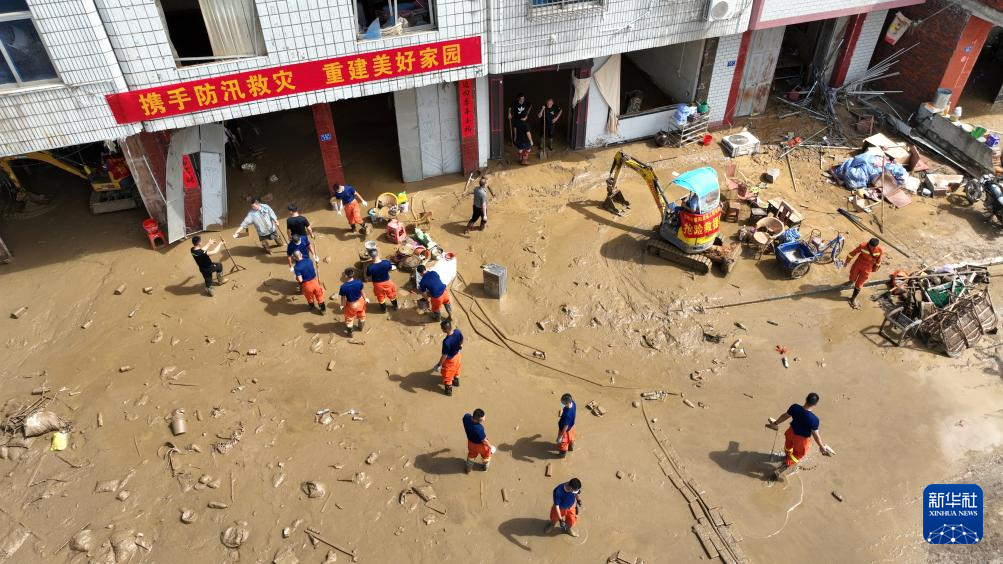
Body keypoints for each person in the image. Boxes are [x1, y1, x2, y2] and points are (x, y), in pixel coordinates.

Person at [765, 392, 834, 480]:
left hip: (790, 433)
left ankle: (787, 455)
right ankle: (780, 469)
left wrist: (775, 423)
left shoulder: (795, 407)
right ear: (815, 404)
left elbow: (784, 416)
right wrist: (821, 446)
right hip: (801, 440)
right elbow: (816, 435)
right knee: (798, 455)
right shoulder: (814, 419)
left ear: (806, 399)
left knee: (788, 447)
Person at [843, 237, 883, 309]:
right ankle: (851, 281)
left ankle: (853, 298)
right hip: (858, 264)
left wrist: (875, 269)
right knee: (852, 275)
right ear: (868, 243)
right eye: (870, 246)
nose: (871, 248)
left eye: (873, 247)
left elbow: (878, 261)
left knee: (859, 284)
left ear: (876, 246)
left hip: (868, 268)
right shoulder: (863, 246)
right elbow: (852, 253)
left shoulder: (880, 250)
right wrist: (847, 261)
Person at [433, 319, 462, 396]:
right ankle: (456, 381)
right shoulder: (457, 332)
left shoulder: (446, 342)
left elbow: (444, 355)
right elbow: (461, 340)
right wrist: (459, 347)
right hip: (458, 356)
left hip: (451, 360)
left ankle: (448, 390)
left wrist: (439, 365)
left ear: (444, 330)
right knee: (457, 368)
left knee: (447, 374)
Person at [365, 248, 399, 312]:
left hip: (377, 285)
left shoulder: (370, 267)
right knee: (392, 295)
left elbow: (368, 275)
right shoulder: (386, 262)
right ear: (378, 254)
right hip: (387, 282)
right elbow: (390, 269)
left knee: (380, 297)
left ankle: (383, 310)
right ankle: (395, 307)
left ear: (370, 256)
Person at [338, 267, 367, 337]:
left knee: (349, 318)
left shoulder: (343, 287)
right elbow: (362, 292)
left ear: (346, 276)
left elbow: (343, 297)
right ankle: (360, 327)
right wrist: (365, 298)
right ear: (353, 274)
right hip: (360, 301)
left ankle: (350, 333)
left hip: (351, 304)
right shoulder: (359, 282)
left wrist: (342, 305)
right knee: (362, 314)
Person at [462, 408, 493, 473]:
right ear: (478, 419)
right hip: (480, 446)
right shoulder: (479, 428)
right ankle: (485, 468)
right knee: (486, 455)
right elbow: (484, 440)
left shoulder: (466, 417)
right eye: (483, 418)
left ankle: (468, 470)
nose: (484, 419)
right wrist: (491, 447)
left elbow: (467, 416)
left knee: (471, 455)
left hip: (470, 443)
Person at [556, 393, 576, 457]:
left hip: (565, 430)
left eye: (562, 403)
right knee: (571, 438)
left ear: (567, 403)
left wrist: (560, 436)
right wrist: (562, 412)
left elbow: (565, 427)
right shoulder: (573, 403)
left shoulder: (567, 415)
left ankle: (562, 454)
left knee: (564, 443)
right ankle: (571, 447)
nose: (561, 403)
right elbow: (570, 412)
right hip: (572, 426)